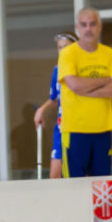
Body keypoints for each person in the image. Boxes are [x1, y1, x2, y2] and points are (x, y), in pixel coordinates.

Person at [58, 8, 112, 177]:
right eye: (84, 24)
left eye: (92, 24)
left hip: (103, 128)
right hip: (75, 129)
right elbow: (73, 85)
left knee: (101, 185)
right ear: (77, 27)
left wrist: (85, 88)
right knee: (74, 185)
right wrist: (104, 80)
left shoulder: (110, 54)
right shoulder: (68, 53)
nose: (88, 28)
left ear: (100, 27)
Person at [33, 31, 76, 179]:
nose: (62, 50)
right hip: (61, 127)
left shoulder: (80, 69)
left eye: (66, 46)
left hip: (78, 126)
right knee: (55, 175)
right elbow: (55, 98)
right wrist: (42, 109)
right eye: (59, 47)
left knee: (79, 174)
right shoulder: (57, 69)